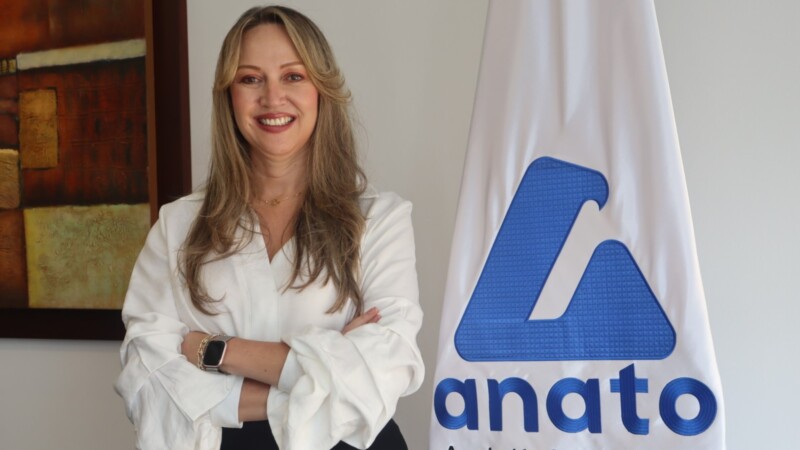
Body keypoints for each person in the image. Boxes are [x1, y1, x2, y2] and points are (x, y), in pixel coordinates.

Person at [114, 5, 424, 450]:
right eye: (250, 79)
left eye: (293, 76)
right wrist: (325, 370)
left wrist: (214, 350)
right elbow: (146, 378)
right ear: (229, 95)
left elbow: (388, 365)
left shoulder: (379, 219)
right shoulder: (178, 225)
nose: (272, 97)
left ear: (321, 89)